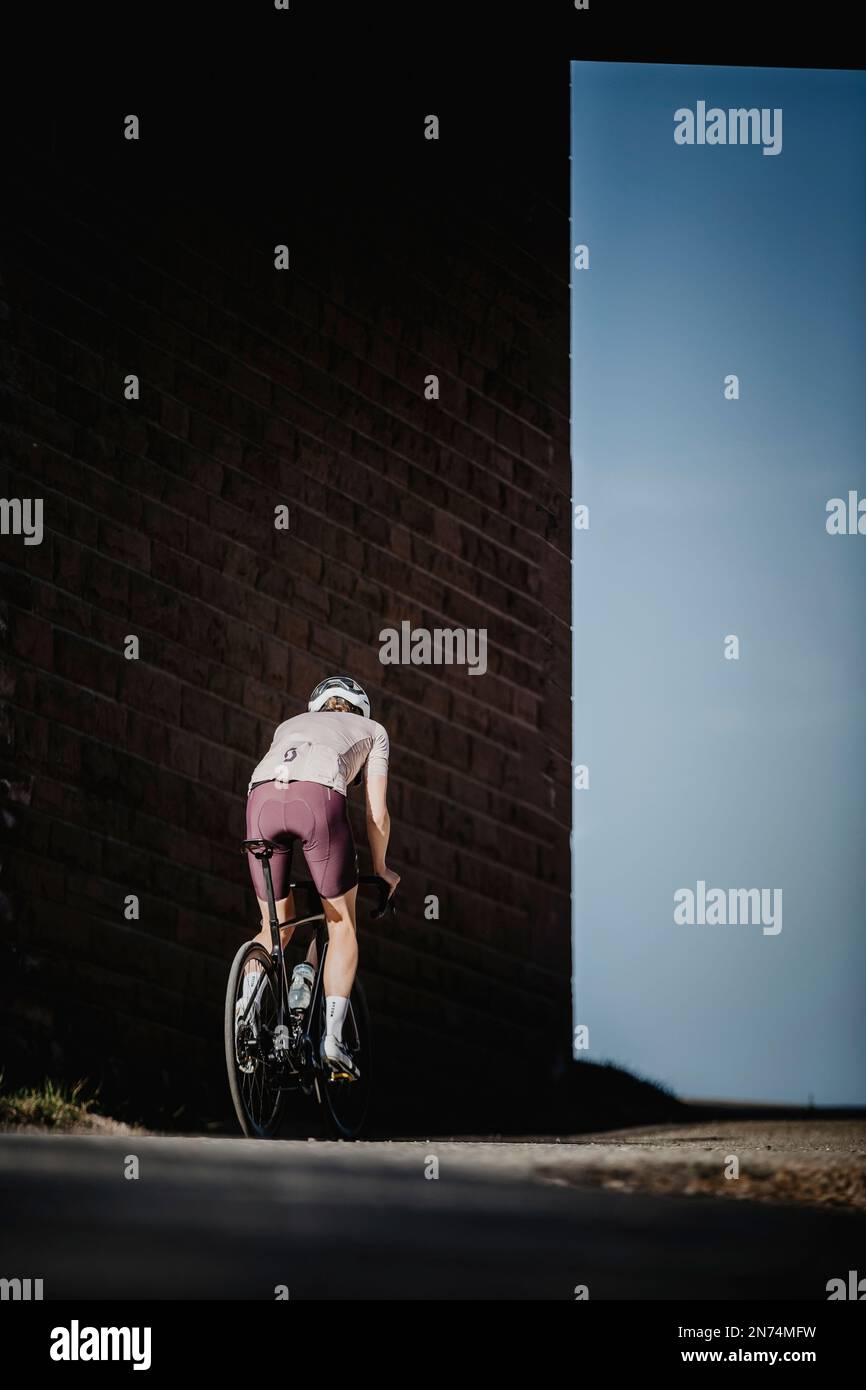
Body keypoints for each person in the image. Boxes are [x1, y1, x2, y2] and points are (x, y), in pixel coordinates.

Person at [242, 676, 399, 1079]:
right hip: (317, 798)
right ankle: (332, 1039)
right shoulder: (373, 731)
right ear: (359, 709)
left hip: (259, 799)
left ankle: (244, 1010)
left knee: (273, 926)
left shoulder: (287, 725)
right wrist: (381, 870)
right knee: (341, 922)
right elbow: (377, 814)